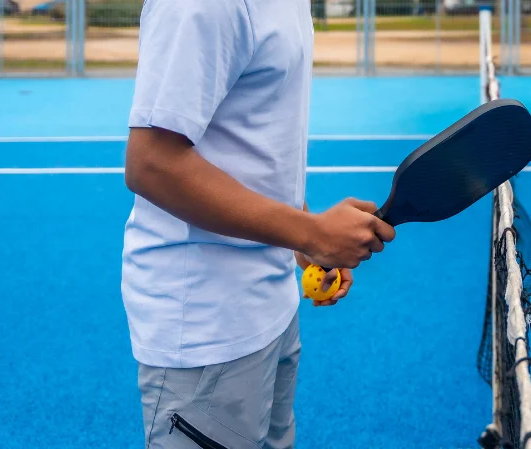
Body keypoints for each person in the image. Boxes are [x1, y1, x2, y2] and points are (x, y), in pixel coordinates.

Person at [121, 1, 394, 448]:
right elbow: (151, 163)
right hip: (207, 328)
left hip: (272, 306)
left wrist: (306, 236)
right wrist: (310, 232)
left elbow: (254, 143)